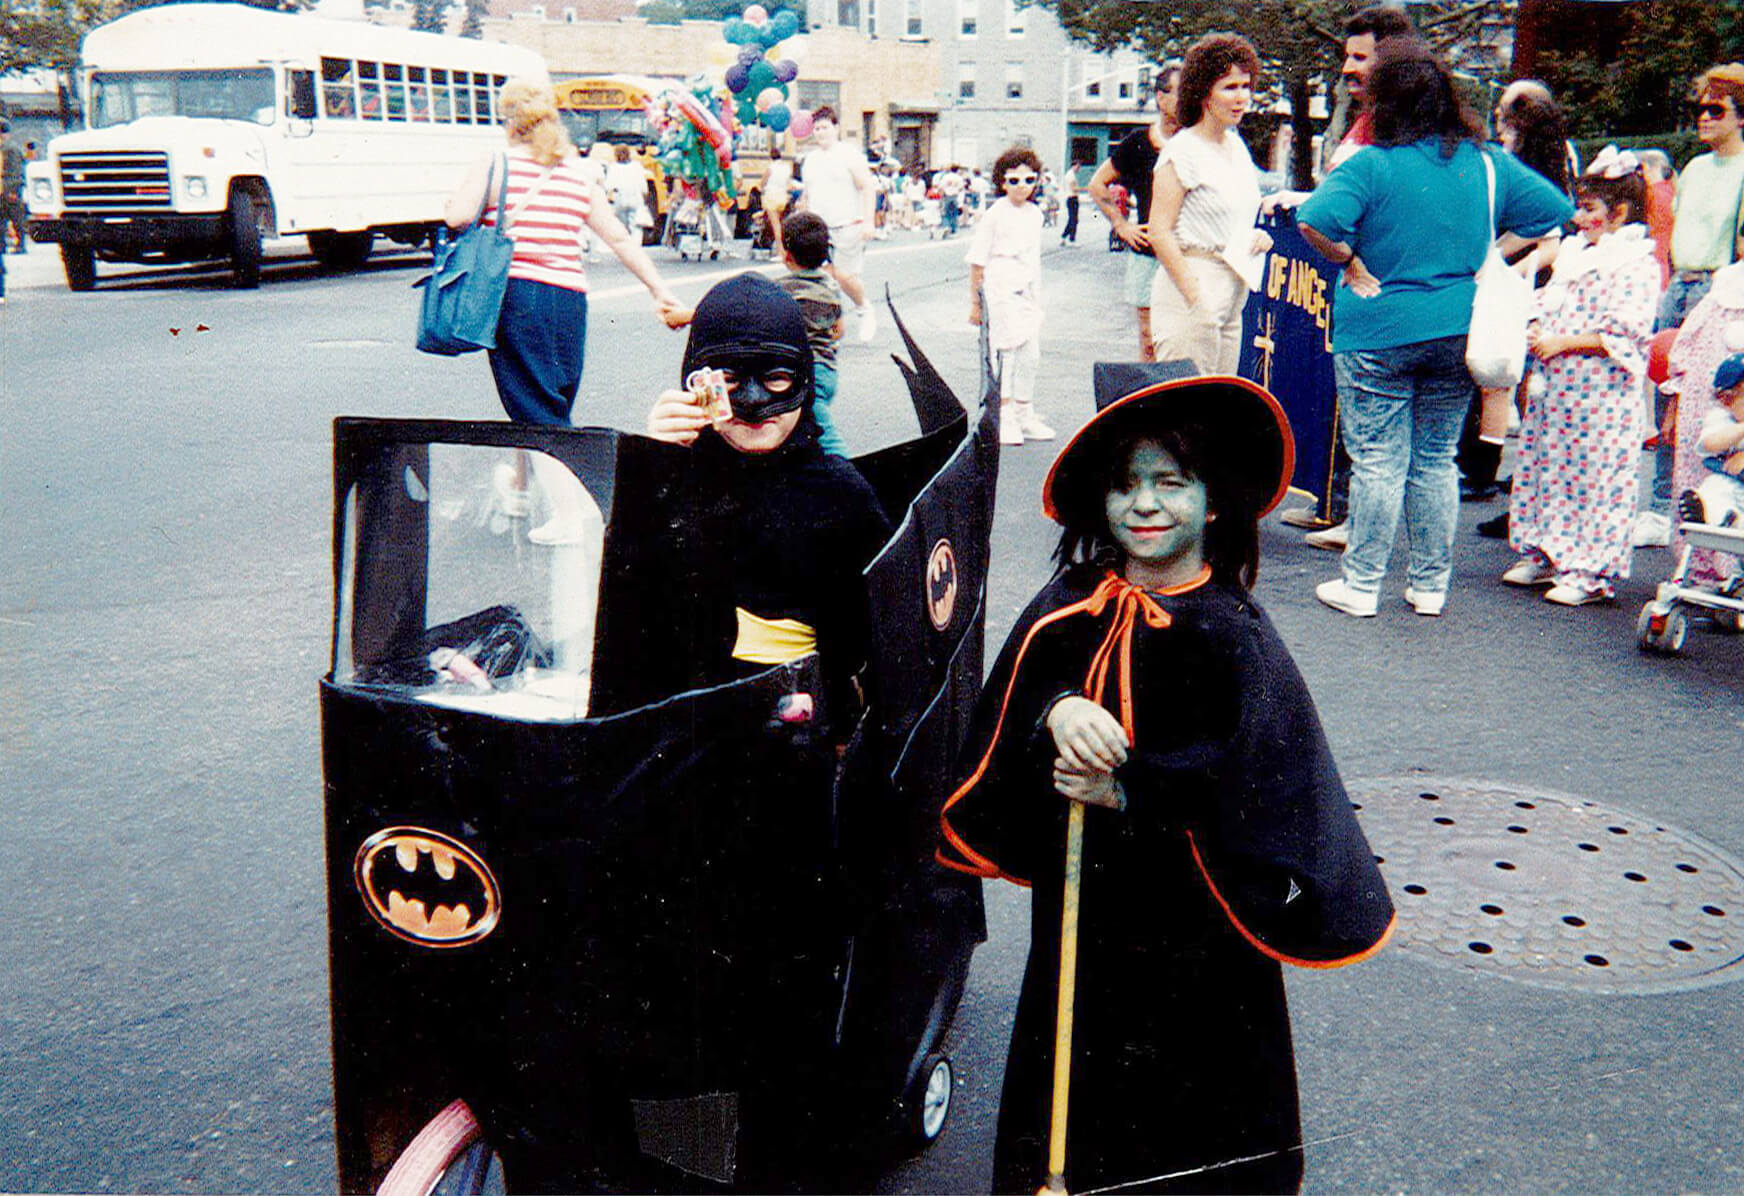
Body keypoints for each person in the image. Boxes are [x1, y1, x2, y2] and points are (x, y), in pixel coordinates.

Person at [937, 362, 1394, 1196]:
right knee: (1074, 1059)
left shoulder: (1233, 634)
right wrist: (1057, 711)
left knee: (1189, 1088)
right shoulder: (1073, 598)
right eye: (1125, 485)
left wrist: (1126, 790)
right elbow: (1015, 698)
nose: (1144, 504)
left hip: (1193, 921)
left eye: (1170, 483)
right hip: (1083, 903)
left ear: (1212, 501)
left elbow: (1257, 781)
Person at [1297, 38, 1572, 618]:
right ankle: (1429, 586)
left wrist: (1349, 260)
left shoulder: (1370, 164)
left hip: (1377, 327)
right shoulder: (1486, 162)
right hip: (1458, 328)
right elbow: (1554, 211)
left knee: (1378, 460)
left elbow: (1314, 220)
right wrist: (1492, 254)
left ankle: (1362, 584)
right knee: (1435, 459)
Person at [644, 272, 892, 728]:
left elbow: (881, 644)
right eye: (729, 380)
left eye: (776, 378)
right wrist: (650, 464)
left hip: (799, 732)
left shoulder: (841, 495)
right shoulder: (678, 476)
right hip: (685, 728)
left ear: (804, 379)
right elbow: (630, 607)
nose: (755, 401)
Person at [442, 78, 680, 542]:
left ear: (509, 121)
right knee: (550, 395)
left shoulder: (496, 163)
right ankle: (519, 487)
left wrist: (453, 202)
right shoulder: (576, 173)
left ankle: (573, 512)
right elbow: (617, 237)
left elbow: (458, 216)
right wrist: (659, 290)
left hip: (518, 296)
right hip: (569, 299)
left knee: (535, 404)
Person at [1270, 7, 1417, 545]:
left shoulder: (1399, 126)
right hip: (1355, 283)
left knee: (1375, 413)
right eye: (1346, 56)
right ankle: (1341, 506)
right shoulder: (1366, 118)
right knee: (1348, 401)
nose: (1348, 68)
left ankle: (1360, 521)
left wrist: (1351, 256)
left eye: (1360, 57)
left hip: (1380, 284)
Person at [1502, 148, 1660, 607]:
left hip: (1600, 394)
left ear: (1620, 213)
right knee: (1549, 467)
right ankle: (1546, 550)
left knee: (1595, 477)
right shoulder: (1575, 254)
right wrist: (1536, 326)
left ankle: (1590, 569)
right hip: (1559, 390)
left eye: (1589, 209)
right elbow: (1550, 301)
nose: (1578, 217)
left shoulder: (1635, 262)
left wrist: (1563, 343)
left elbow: (1626, 331)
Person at [1641, 64, 1744, 548]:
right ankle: (1659, 507)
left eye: (1715, 110)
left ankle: (1713, 507)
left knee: (1708, 400)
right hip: (1679, 280)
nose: (1704, 117)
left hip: (1716, 287)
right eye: (1699, 109)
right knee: (1668, 395)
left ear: (1740, 117)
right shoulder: (1696, 169)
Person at [1147, 33, 1272, 376]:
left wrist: (1254, 236)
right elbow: (1159, 231)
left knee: (1220, 401)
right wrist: (1195, 297)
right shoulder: (1182, 150)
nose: (1241, 97)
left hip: (1234, 288)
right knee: (1187, 402)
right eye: (1229, 87)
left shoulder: (1237, 147)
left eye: (1245, 86)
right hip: (1191, 286)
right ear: (1203, 92)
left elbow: (1232, 214)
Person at [1089, 61, 1182, 360]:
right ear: (1161, 97)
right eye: (1181, 93)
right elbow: (1097, 184)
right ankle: (1153, 390)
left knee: (1183, 340)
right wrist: (1121, 224)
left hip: (1188, 255)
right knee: (1149, 339)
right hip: (1148, 256)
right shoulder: (1138, 144)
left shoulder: (1197, 142)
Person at [1661, 260, 1744, 586]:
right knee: (1708, 486)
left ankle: (1732, 568)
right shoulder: (1724, 287)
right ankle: (1701, 567)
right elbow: (1686, 343)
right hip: (1713, 402)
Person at [967, 147, 1053, 447]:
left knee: (1031, 354)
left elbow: (1034, 258)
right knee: (1007, 353)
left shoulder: (1035, 214)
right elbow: (977, 261)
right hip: (999, 289)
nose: (1022, 186)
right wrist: (976, 304)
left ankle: (1024, 412)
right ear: (1002, 182)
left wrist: (1036, 295)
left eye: (1029, 179)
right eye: (1014, 180)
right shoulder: (994, 215)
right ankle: (1004, 416)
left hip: (1026, 290)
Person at [799, 106, 879, 343]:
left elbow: (867, 187)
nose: (821, 132)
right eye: (817, 129)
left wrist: (869, 222)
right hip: (819, 228)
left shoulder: (849, 155)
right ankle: (826, 325)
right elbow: (807, 194)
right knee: (822, 277)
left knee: (844, 276)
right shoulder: (810, 160)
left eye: (825, 127)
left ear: (836, 128)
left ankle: (864, 308)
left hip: (848, 224)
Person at [775, 211, 849, 457]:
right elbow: (839, 330)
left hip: (806, 375)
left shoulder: (781, 288)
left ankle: (847, 472)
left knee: (828, 441)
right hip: (827, 370)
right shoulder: (831, 284)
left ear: (787, 254)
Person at [1679, 353, 1744, 530]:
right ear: (1726, 400)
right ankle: (1722, 518)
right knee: (1714, 487)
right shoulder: (1722, 418)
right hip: (1732, 484)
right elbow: (1711, 443)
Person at [604, 145, 650, 239]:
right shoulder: (636, 166)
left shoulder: (613, 167)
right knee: (636, 226)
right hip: (636, 198)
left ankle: (625, 243)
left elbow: (608, 186)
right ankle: (636, 244)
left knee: (621, 226)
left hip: (620, 198)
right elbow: (643, 186)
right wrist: (645, 199)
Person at [1, 119, 27, 255]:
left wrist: (13, 190)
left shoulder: (11, 149)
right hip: (3, 189)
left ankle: (20, 245)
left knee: (16, 218)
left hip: (10, 189)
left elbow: (16, 171)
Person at [1058, 160, 1081, 244]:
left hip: (1072, 198)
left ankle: (1063, 237)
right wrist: (1086, 188)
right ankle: (1072, 239)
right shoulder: (1070, 175)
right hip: (1072, 198)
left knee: (1072, 219)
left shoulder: (1070, 174)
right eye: (1078, 167)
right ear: (1074, 166)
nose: (1078, 169)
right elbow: (1074, 188)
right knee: (1073, 220)